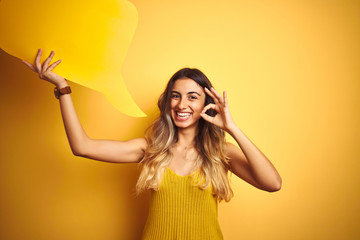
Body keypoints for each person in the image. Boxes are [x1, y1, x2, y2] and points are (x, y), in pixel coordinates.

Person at [22, 48, 282, 240]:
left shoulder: (221, 153)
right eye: (176, 96)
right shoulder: (150, 150)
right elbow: (82, 146)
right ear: (168, 102)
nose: (182, 104)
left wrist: (232, 129)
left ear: (206, 104)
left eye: (193, 97)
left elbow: (273, 183)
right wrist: (62, 88)